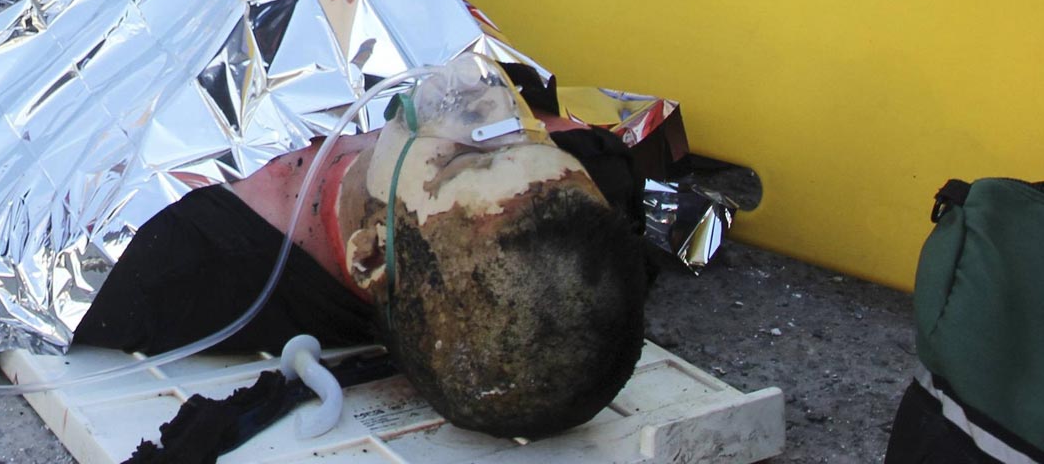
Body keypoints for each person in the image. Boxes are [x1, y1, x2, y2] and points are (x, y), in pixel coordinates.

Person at [79, 54, 646, 439]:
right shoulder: (568, 189)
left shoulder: (175, 264)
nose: (493, 109)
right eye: (535, 142)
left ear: (369, 254)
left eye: (459, 160)